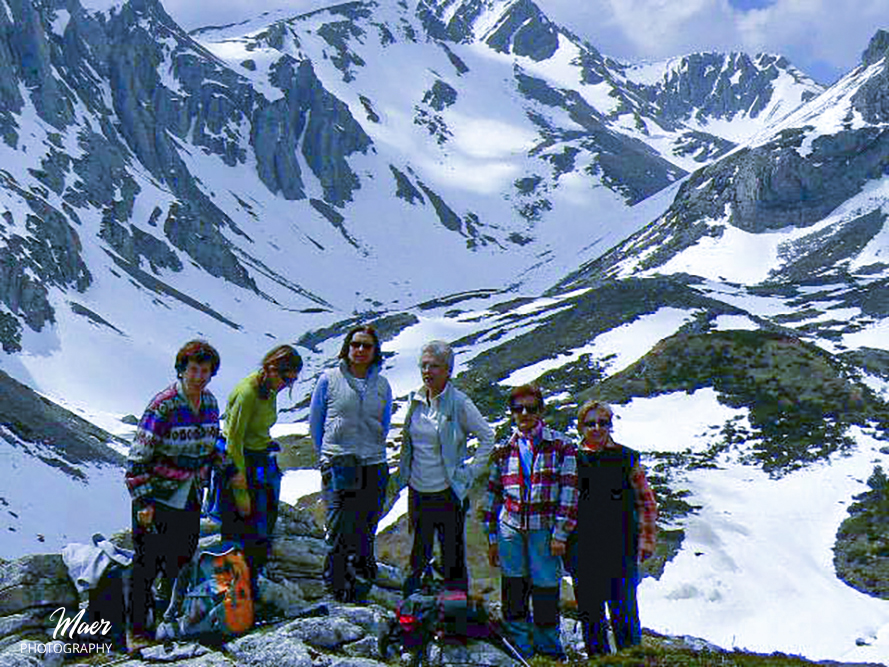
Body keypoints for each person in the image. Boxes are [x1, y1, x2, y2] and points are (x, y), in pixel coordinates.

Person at [125, 340, 221, 648]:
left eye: (205, 371)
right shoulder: (163, 405)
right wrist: (143, 502)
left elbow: (212, 445)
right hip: (157, 496)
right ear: (181, 370)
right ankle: (137, 629)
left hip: (190, 493)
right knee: (146, 563)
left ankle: (167, 620)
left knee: (179, 559)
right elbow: (138, 458)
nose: (199, 377)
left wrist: (229, 468)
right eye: (193, 369)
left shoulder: (209, 404)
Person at [482, 384, 577, 659]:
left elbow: (569, 492)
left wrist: (561, 534)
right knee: (513, 586)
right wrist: (491, 538)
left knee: (546, 587)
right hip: (510, 527)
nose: (524, 413)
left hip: (544, 528)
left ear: (541, 411)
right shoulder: (505, 448)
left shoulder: (561, 445)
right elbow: (492, 493)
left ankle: (549, 647)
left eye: (531, 408)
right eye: (518, 408)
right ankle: (519, 645)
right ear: (512, 413)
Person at [393, 340, 495, 596]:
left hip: (447, 492)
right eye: (424, 366)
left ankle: (456, 614)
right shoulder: (415, 399)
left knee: (453, 556)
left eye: (435, 366)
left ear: (448, 371)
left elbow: (487, 437)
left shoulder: (459, 402)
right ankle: (414, 610)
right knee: (419, 554)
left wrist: (471, 472)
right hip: (418, 491)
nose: (428, 371)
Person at [565, 400, 658, 655]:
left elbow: (646, 502)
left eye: (602, 423)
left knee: (625, 612)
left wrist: (646, 541)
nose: (596, 428)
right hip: (582, 549)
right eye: (590, 423)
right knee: (590, 616)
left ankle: (632, 659)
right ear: (580, 427)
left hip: (621, 547)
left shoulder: (627, 458)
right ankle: (599, 661)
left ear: (610, 425)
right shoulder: (572, 459)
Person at [310, 325, 393, 601]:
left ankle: (360, 587)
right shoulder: (329, 379)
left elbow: (384, 422)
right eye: (355, 344)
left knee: (366, 527)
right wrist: (326, 454)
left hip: (374, 463)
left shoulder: (382, 385)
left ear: (374, 352)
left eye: (366, 346)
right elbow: (316, 422)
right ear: (347, 347)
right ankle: (333, 588)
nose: (359, 350)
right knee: (338, 528)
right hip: (338, 462)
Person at [220, 344, 303, 600]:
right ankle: (229, 600)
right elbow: (233, 441)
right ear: (270, 368)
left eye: (291, 380)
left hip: (259, 459)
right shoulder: (248, 393)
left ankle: (249, 597)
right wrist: (240, 488)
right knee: (239, 533)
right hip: (240, 463)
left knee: (262, 533)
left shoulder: (269, 389)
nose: (285, 384)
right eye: (284, 377)